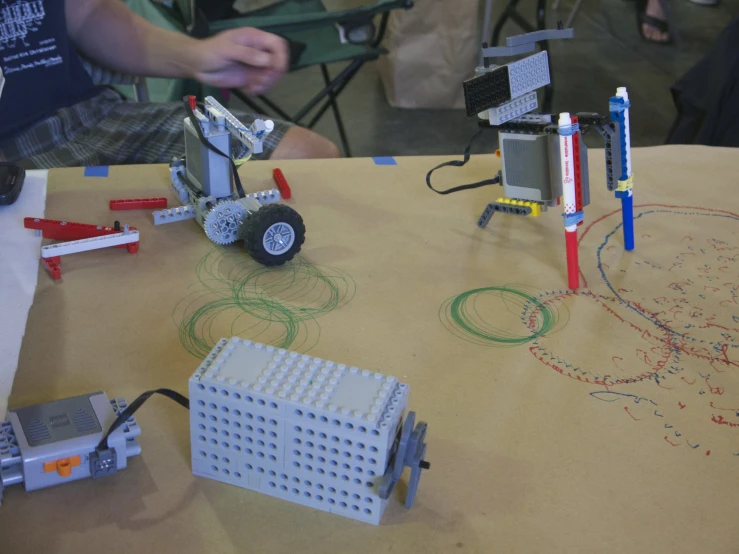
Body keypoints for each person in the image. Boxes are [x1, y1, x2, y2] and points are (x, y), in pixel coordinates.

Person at [0, 0, 340, 169]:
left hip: (85, 115)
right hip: (13, 155)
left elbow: (86, 12)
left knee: (309, 158)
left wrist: (198, 56)